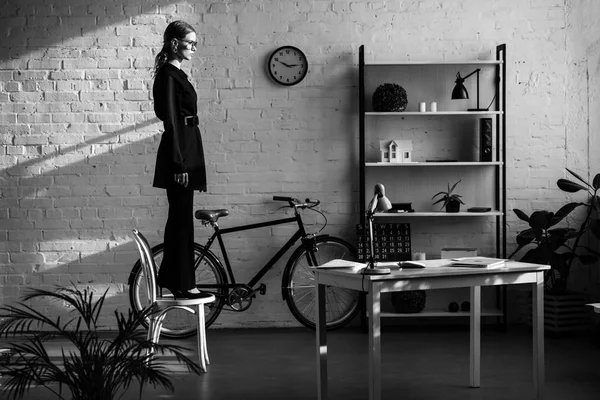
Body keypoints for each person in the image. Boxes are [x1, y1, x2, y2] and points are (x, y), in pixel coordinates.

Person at [152, 20, 207, 299]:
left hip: (187, 149)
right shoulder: (168, 76)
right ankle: (182, 283)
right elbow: (171, 122)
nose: (194, 48)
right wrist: (180, 164)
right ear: (175, 43)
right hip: (181, 154)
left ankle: (176, 279)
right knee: (181, 221)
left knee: (182, 220)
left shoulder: (177, 74)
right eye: (190, 43)